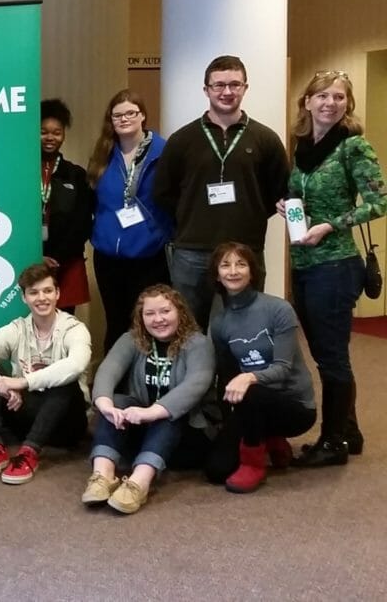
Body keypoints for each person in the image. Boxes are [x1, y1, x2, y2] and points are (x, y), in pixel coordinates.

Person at [278, 71, 387, 466]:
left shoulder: (353, 147)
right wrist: (288, 208)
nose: (330, 103)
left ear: (347, 104)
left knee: (332, 357)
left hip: (336, 264)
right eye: (321, 96)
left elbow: (379, 203)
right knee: (327, 354)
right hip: (305, 263)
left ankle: (332, 442)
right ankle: (350, 431)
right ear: (306, 102)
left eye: (339, 97)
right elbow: (299, 194)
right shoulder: (304, 146)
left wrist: (330, 224)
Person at [152, 55, 290, 330]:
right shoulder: (182, 139)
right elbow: (163, 193)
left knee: (245, 326)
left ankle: (238, 376)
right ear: (206, 90)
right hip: (192, 250)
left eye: (234, 84)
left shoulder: (266, 139)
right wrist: (192, 217)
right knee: (188, 327)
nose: (227, 92)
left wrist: (246, 214)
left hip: (245, 249)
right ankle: (197, 375)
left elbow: (278, 192)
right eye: (219, 85)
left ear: (245, 88)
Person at [82, 285, 214, 514]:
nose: (158, 319)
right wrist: (106, 405)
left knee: (169, 416)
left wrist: (153, 411)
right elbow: (107, 371)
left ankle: (139, 483)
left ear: (180, 312)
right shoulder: (131, 339)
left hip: (187, 434)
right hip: (142, 430)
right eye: (149, 314)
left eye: (165, 311)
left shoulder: (198, 343)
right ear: (141, 318)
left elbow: (196, 384)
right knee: (118, 401)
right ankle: (102, 476)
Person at [0, 263, 90, 485]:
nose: (41, 298)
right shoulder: (17, 328)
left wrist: (23, 382)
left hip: (66, 423)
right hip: (24, 414)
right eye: (33, 292)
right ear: (24, 297)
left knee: (65, 379)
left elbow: (76, 365)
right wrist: (1, 387)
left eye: (48, 291)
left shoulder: (74, 328)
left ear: (58, 293)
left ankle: (29, 452)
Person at [207, 243, 317, 491]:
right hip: (252, 404)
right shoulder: (220, 323)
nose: (233, 271)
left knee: (251, 389)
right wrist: (229, 425)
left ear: (252, 272)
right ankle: (270, 439)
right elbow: (227, 376)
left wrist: (248, 378)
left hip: (294, 407)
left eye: (241, 264)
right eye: (225, 265)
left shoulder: (278, 309)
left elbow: (283, 369)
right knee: (216, 469)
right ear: (217, 274)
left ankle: (254, 465)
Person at [87, 89, 173, 351]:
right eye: (117, 115)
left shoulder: (164, 153)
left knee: (151, 322)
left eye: (130, 113)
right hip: (108, 258)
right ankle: (114, 386)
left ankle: (150, 383)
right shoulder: (103, 154)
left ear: (142, 116)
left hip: (149, 256)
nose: (124, 119)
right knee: (116, 322)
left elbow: (176, 198)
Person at [38, 99, 94, 314]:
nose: (50, 138)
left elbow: (82, 222)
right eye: (43, 132)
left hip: (66, 262)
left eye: (56, 132)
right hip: (29, 260)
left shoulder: (76, 174)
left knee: (64, 322)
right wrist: (35, 255)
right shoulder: (20, 170)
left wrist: (56, 258)